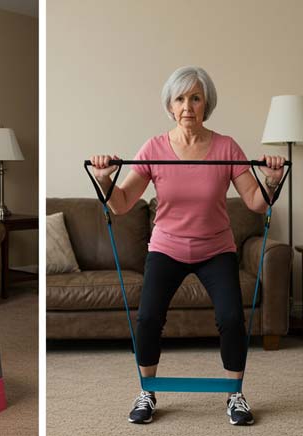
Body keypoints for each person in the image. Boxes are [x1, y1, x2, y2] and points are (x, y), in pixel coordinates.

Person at [90, 66, 285, 426]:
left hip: (216, 249)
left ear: (206, 102)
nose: (187, 106)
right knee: (148, 318)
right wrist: (104, 180)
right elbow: (120, 203)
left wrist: (271, 181)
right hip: (166, 247)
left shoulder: (226, 147)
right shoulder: (154, 147)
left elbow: (257, 203)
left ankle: (235, 394)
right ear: (170, 105)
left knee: (231, 318)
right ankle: (147, 391)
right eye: (180, 98)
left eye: (195, 97)